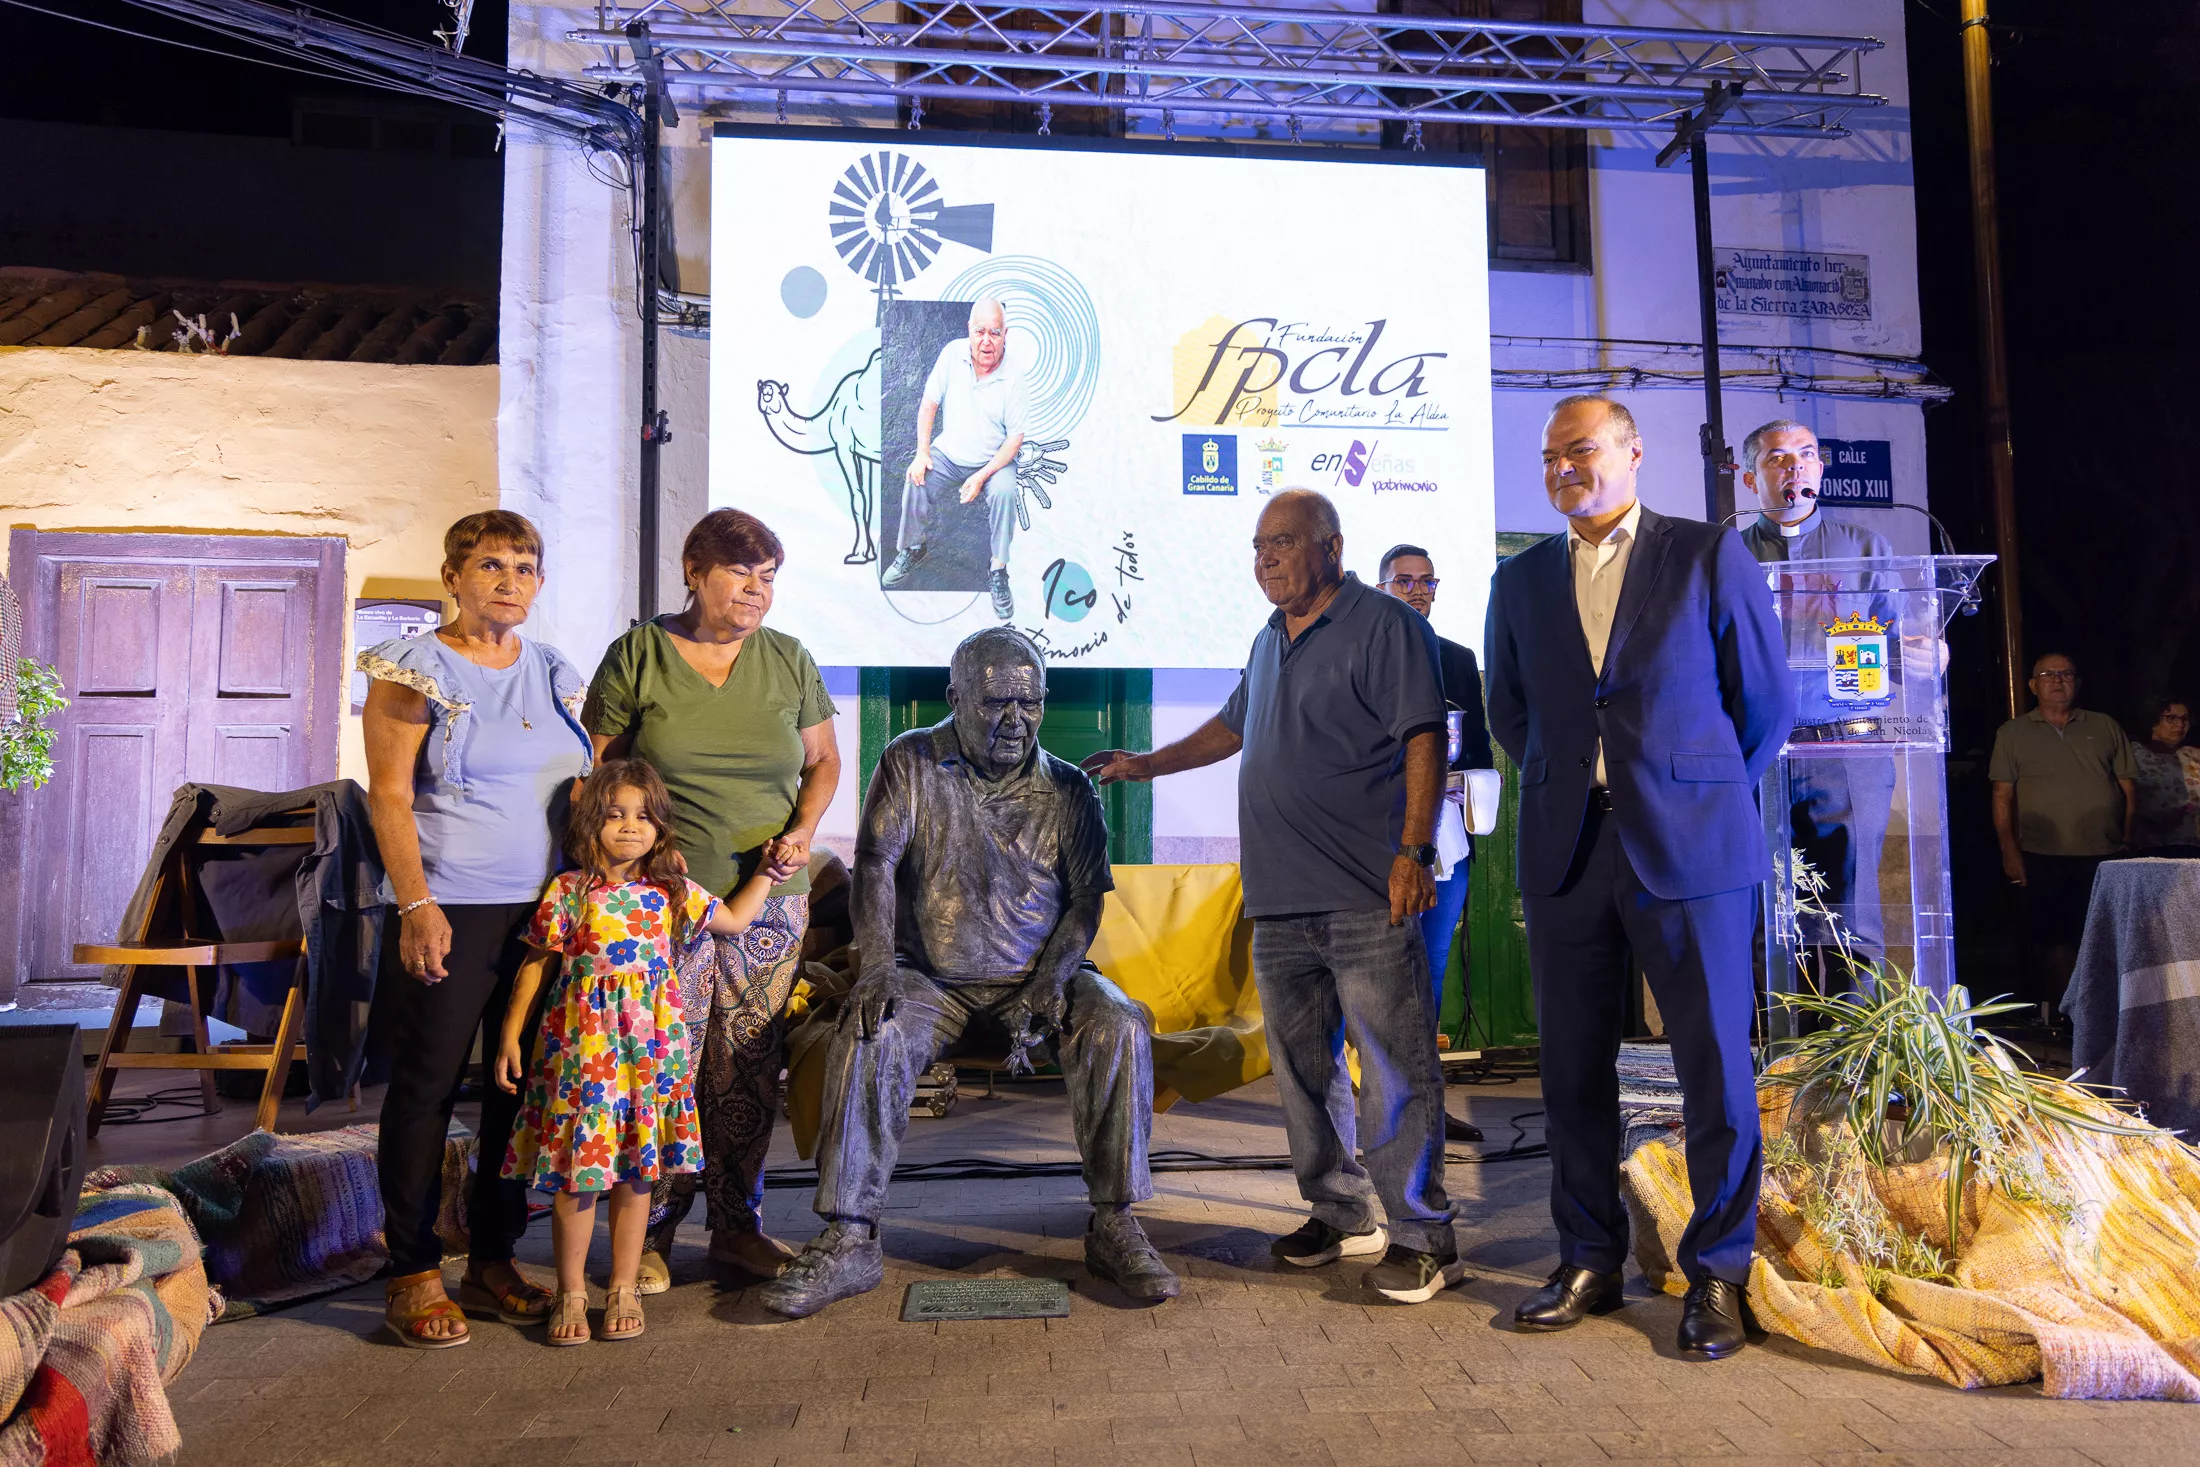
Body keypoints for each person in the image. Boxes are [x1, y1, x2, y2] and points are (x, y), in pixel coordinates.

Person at [1087, 489, 1463, 1305]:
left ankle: (1426, 1234)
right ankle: (1341, 1211)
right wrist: (1145, 764)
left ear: (1331, 545)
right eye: (1258, 546)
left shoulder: (1386, 626)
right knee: (1302, 1069)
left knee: (1394, 1067)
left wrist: (1413, 850)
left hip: (1367, 891)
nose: (1266, 558)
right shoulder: (1269, 639)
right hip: (1281, 898)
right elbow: (1234, 726)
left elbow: (1423, 737)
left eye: (1283, 542)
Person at [1483, 395, 1788, 1359]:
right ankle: (1588, 1258)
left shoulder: (1706, 554)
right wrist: (1585, 787)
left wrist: (1685, 788)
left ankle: (1719, 1273)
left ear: (1632, 453)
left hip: (1693, 850)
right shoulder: (1520, 579)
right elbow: (1510, 711)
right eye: (1549, 458)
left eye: (1579, 451)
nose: (1562, 469)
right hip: (1569, 850)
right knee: (1572, 1069)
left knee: (1713, 1069)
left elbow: (1766, 708)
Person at [759, 628, 1179, 1317]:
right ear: (956, 698)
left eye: (1030, 703)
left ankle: (1115, 1222)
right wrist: (874, 967)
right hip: (933, 979)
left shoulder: (1069, 788)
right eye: (995, 704)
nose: (1015, 720)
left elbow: (1083, 904)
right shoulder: (910, 760)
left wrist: (1052, 978)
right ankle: (850, 1234)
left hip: (1043, 976)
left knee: (1118, 1025)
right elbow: (874, 868)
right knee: (870, 1032)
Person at [584, 508, 842, 1288]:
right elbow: (597, 770)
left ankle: (738, 1227)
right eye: (741, 574)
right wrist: (624, 860)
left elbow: (824, 761)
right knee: (669, 1059)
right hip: (663, 898)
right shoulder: (639, 654)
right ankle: (651, 1234)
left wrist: (803, 829)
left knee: (747, 1065)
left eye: (768, 578)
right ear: (695, 570)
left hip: (770, 896)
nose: (756, 591)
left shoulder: (788, 660)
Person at [360, 510, 592, 1350]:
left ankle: (492, 1258)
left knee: (516, 1087)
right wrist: (417, 905)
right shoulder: (413, 667)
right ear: (452, 576)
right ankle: (412, 1268)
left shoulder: (555, 670)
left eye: (525, 566)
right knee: (426, 1088)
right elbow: (388, 794)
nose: (509, 580)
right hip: (450, 904)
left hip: (542, 915)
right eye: (490, 564)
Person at [495, 760, 775, 1345]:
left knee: (638, 1171)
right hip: (582, 1054)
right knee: (577, 1174)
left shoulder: (670, 893)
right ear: (590, 823)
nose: (629, 827)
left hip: (649, 1056)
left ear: (661, 827)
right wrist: (509, 1035)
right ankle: (572, 1292)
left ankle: (623, 1284)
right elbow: (537, 963)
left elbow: (737, 918)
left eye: (644, 816)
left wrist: (770, 871)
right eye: (615, 814)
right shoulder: (569, 890)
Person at [1737, 419, 1899, 955]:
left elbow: (1899, 644)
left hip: (1847, 746)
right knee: (1764, 909)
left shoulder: (1864, 549)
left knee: (1852, 912)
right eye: (1778, 458)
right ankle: (1775, 1038)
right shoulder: (1726, 557)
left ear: (1821, 469)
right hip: (1757, 753)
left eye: (1807, 455)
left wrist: (1927, 654)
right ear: (1749, 477)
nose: (1796, 466)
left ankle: (1848, 1038)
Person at [1376, 543, 1494, 1029]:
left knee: (1432, 963)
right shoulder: (1364, 654)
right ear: (1381, 590)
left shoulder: (1458, 659)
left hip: (1446, 837)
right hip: (1381, 838)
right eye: (1404, 581)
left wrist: (1465, 781)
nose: (1417, 591)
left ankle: (1421, 1092)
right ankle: (1372, 1087)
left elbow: (1480, 751)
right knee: (1377, 968)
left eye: (1426, 581)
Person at [1990, 653, 2137, 1012]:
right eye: (2048, 674)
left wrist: (2129, 839)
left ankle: (2103, 1015)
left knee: (2103, 939)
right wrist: (2009, 850)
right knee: (2052, 939)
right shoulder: (2013, 732)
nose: (2058, 680)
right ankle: (2066, 1015)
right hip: (2042, 855)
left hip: (2104, 853)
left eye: (2066, 674)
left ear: (2078, 683)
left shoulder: (2103, 726)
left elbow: (2130, 789)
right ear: (2033, 685)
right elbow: (2002, 796)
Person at [881, 297, 1029, 621]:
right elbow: (929, 404)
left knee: (1005, 492)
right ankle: (912, 548)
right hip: (949, 453)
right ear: (969, 331)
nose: (986, 341)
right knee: (915, 478)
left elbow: (1015, 439)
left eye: (995, 333)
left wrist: (980, 477)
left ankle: (999, 570)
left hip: (993, 461)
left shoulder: (1015, 375)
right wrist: (922, 452)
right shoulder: (951, 354)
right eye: (980, 332)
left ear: (1006, 334)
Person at [2129, 697, 2200, 856]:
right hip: (2152, 845)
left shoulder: (2194, 755)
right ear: (2152, 721)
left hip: (2194, 843)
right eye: (2171, 718)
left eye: (2184, 719)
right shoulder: (2134, 754)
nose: (2180, 725)